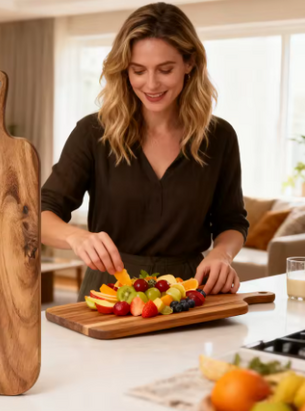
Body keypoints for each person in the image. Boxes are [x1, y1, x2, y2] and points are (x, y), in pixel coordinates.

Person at [41, 2, 249, 300]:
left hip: (188, 292)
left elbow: (232, 221)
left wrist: (222, 254)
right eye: (138, 70)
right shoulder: (92, 133)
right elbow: (41, 214)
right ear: (124, 69)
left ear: (189, 63)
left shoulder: (219, 137)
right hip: (110, 290)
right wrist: (76, 237)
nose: (151, 84)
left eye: (165, 69)